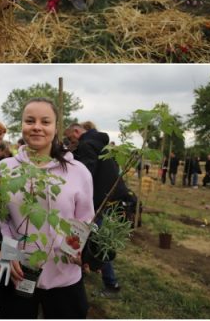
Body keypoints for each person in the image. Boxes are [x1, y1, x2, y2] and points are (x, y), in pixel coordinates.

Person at [0, 98, 94, 317]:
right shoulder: (5, 168)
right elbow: (3, 219)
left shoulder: (78, 171)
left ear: (56, 127)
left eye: (45, 121)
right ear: (22, 125)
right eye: (30, 121)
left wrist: (79, 250)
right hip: (18, 273)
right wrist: (9, 255)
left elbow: (85, 220)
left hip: (64, 274)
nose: (37, 126)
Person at [67, 121, 128, 298]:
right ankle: (85, 269)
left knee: (96, 241)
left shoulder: (86, 145)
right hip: (110, 197)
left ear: (77, 132)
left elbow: (85, 174)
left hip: (98, 201)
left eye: (72, 138)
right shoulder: (103, 145)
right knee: (97, 238)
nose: (72, 141)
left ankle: (111, 284)